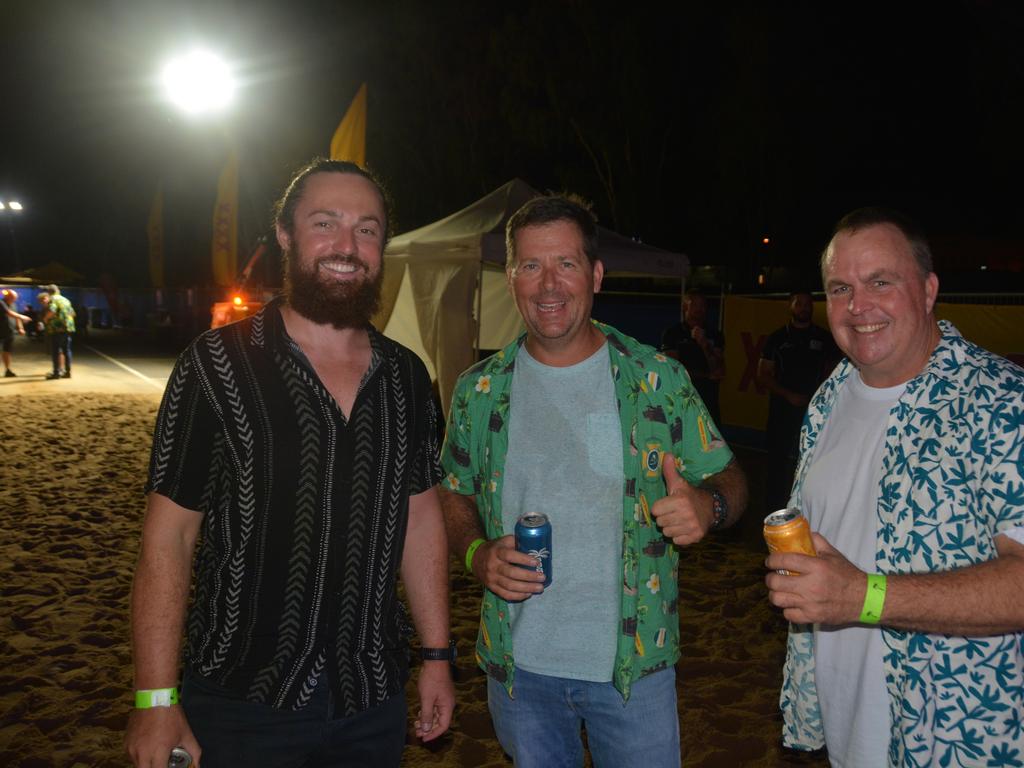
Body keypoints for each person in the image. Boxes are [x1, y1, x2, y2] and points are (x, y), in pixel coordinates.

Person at [125, 159, 455, 768]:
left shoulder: (408, 377)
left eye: (367, 229)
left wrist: (436, 658)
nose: (347, 246)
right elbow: (168, 539)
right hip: (241, 703)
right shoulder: (215, 366)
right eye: (325, 223)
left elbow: (421, 520)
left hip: (371, 702)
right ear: (285, 234)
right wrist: (154, 697)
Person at [440, 194, 748, 767]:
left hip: (636, 669)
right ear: (510, 279)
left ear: (596, 274)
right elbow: (454, 492)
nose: (548, 285)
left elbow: (729, 477)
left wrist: (711, 508)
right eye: (531, 266)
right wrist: (477, 555)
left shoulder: (657, 379)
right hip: (520, 670)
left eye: (567, 264)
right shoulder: (479, 392)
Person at [766, 208, 1024, 767]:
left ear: (929, 290)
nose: (859, 306)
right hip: (846, 731)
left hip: (962, 742)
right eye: (841, 288)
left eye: (880, 282)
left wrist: (866, 597)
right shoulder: (828, 398)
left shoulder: (1003, 404)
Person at [757, 291, 838, 510]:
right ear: (790, 306)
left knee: (812, 461)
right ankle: (773, 510)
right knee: (778, 460)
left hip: (814, 411)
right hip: (782, 410)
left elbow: (833, 374)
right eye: (799, 303)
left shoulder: (824, 338)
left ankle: (808, 507)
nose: (804, 308)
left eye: (807, 304)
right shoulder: (777, 338)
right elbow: (763, 374)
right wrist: (788, 395)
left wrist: (817, 398)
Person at [660, 292, 725, 423]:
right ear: (685, 307)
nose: (700, 309)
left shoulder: (715, 334)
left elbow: (718, 370)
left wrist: (704, 344)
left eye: (703, 305)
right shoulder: (673, 333)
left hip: (707, 401)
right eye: (695, 305)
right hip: (682, 399)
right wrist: (705, 375)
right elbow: (672, 370)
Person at [38, 284, 75, 379]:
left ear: (49, 292)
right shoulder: (66, 300)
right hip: (68, 328)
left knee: (56, 351)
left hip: (57, 328)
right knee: (67, 351)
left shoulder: (53, 299)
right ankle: (68, 372)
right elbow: (73, 313)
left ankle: (56, 373)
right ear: (57, 290)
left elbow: (52, 311)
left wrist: (45, 319)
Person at [1, 288, 31, 377]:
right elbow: (9, 313)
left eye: (15, 298)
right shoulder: (1, 303)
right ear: (7, 296)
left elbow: (16, 317)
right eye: (12, 297)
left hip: (9, 332)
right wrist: (23, 317)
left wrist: (20, 328)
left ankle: (7, 370)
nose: (14, 299)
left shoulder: (14, 305)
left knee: (7, 351)